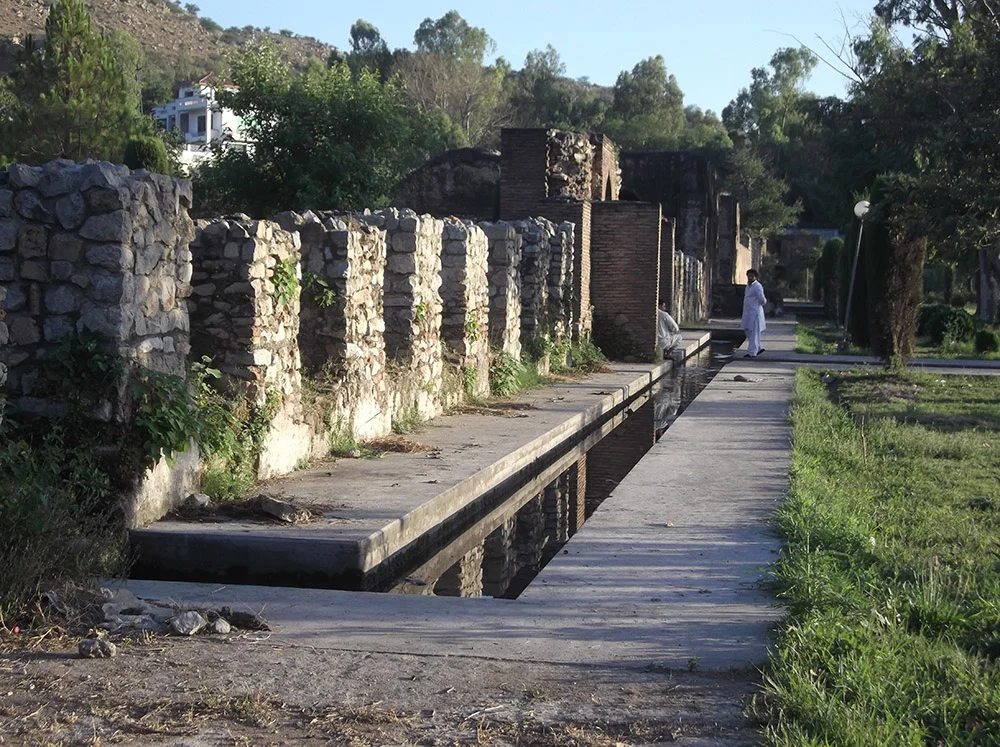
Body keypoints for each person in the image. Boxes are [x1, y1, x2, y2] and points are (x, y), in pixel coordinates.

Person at [741, 268, 767, 357]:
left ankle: (752, 352)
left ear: (755, 277)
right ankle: (759, 347)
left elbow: (762, 300)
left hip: (755, 313)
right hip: (748, 312)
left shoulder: (757, 286)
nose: (750, 278)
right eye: (748, 276)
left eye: (752, 276)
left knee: (754, 333)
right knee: (747, 331)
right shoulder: (748, 286)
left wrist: (758, 304)